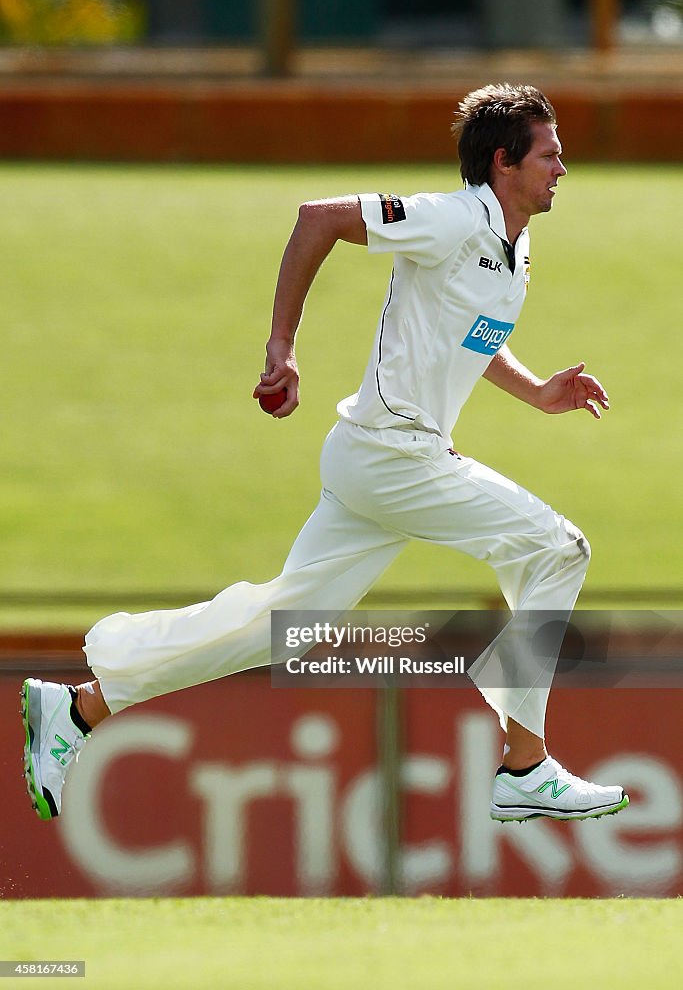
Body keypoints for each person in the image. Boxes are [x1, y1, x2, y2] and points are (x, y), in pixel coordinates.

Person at [22, 83, 628, 825]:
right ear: (503, 162)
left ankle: (80, 708)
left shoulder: (513, 245)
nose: (561, 170)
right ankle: (523, 763)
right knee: (558, 549)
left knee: (284, 626)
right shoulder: (449, 218)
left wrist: (536, 392)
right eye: (549, 156)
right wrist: (282, 347)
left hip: (379, 462)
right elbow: (318, 218)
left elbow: (472, 335)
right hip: (391, 458)